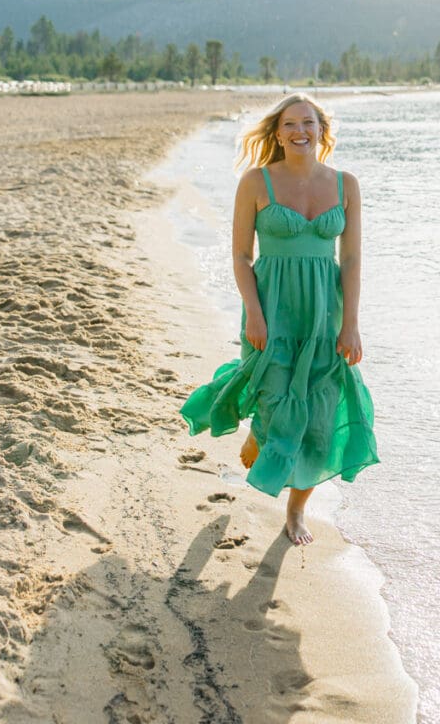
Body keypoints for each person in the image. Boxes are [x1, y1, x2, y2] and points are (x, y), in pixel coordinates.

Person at [180, 93, 378, 546]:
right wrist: (253, 312)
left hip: (323, 316)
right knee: (273, 397)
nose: (299, 132)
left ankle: (296, 511)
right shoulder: (256, 182)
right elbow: (239, 255)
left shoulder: (346, 185)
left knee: (319, 413)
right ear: (277, 133)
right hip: (271, 309)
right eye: (290, 124)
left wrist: (351, 322)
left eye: (308, 123)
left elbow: (351, 260)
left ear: (322, 130)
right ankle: (258, 435)